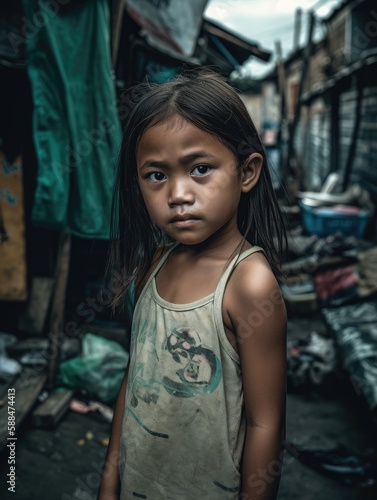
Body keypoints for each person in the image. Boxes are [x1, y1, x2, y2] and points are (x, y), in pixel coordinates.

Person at [97, 68, 287, 500]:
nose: (178, 194)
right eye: (156, 175)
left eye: (200, 168)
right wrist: (109, 480)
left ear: (247, 171)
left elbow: (266, 424)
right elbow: (135, 378)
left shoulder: (248, 284)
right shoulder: (154, 265)